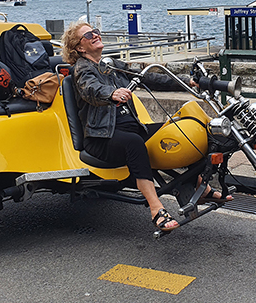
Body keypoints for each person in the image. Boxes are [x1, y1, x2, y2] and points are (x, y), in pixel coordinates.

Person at [61, 22, 231, 232]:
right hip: (101, 138)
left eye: (96, 31)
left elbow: (147, 78)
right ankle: (156, 209)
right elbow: (91, 90)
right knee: (134, 143)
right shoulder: (82, 69)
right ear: (80, 47)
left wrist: (186, 81)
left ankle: (199, 185)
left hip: (131, 129)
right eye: (89, 34)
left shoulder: (111, 64)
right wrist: (111, 94)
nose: (96, 34)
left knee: (179, 131)